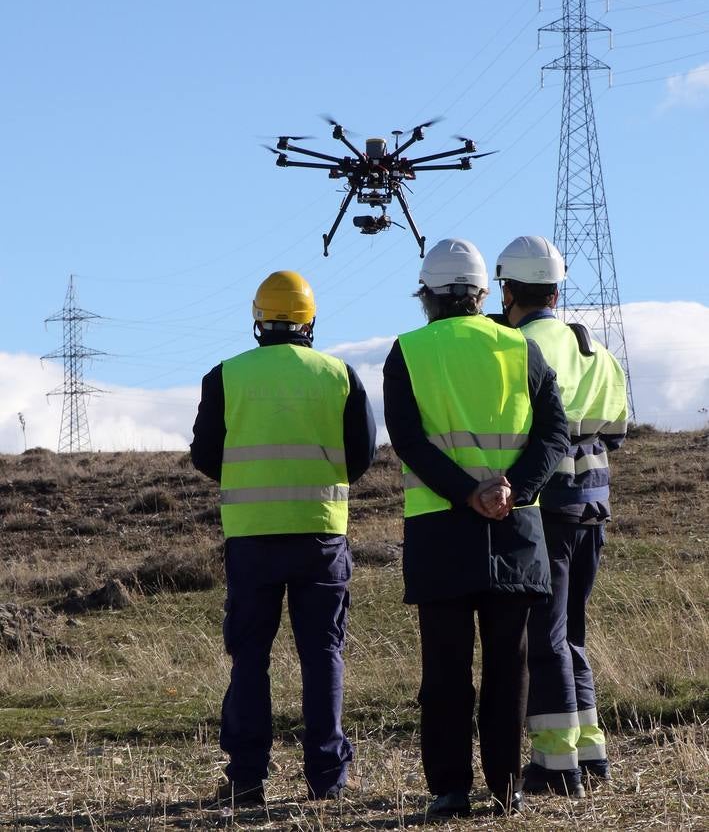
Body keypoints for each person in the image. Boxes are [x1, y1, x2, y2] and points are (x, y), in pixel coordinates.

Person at [382, 238, 569, 819]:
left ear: (427, 294)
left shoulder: (406, 352)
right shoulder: (521, 350)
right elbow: (554, 435)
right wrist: (513, 488)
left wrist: (468, 492)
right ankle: (506, 789)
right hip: (515, 530)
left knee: (444, 669)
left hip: (440, 531)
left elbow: (409, 442)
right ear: (484, 292)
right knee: (507, 668)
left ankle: (449, 789)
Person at [190, 270, 376, 806]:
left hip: (251, 538)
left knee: (250, 658)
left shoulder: (225, 377)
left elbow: (206, 455)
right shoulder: (339, 375)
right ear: (308, 320)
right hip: (320, 533)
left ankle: (247, 778)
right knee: (323, 654)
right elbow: (362, 454)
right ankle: (327, 777)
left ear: (258, 319)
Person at [493, 235, 628, 797]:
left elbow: (516, 432)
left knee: (544, 635)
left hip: (546, 509)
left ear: (508, 288)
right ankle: (589, 755)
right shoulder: (595, 348)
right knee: (572, 632)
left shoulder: (519, 347)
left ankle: (556, 766)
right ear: (555, 287)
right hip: (593, 505)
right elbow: (617, 431)